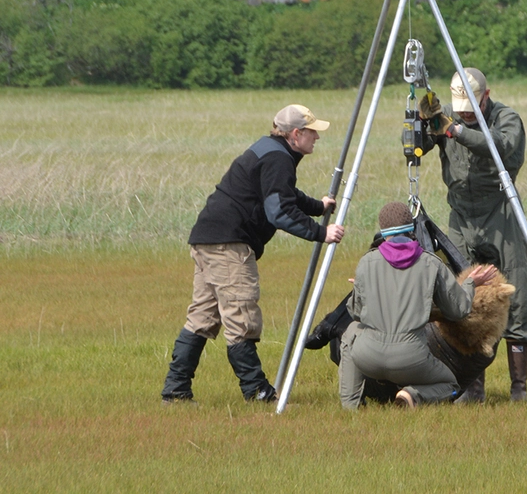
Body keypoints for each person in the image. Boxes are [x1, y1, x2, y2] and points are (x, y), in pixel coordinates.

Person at [161, 104, 344, 404]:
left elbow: (282, 194)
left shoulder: (269, 150)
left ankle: (175, 390)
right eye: (313, 133)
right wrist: (321, 233)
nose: (317, 138)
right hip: (230, 244)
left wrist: (318, 206)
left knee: (202, 317)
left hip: (208, 238)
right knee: (241, 318)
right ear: (296, 134)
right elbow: (279, 211)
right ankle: (257, 392)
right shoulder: (278, 158)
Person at [419, 67, 527, 401]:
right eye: (460, 109)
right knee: (461, 298)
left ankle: (519, 386)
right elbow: (415, 150)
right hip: (461, 216)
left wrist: (454, 130)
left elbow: (500, 146)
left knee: (519, 294)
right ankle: (472, 385)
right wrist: (423, 122)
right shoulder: (449, 119)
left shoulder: (507, 118)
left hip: (501, 212)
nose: (465, 114)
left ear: (485, 95)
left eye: (470, 107)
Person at [339, 202, 497, 408]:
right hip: (411, 359)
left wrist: (364, 288)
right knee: (450, 385)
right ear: (411, 230)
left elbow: (356, 312)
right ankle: (411, 395)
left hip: (368, 356)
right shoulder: (431, 263)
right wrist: (470, 284)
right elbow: (458, 310)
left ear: (383, 233)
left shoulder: (366, 263)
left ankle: (350, 405)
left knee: (351, 330)